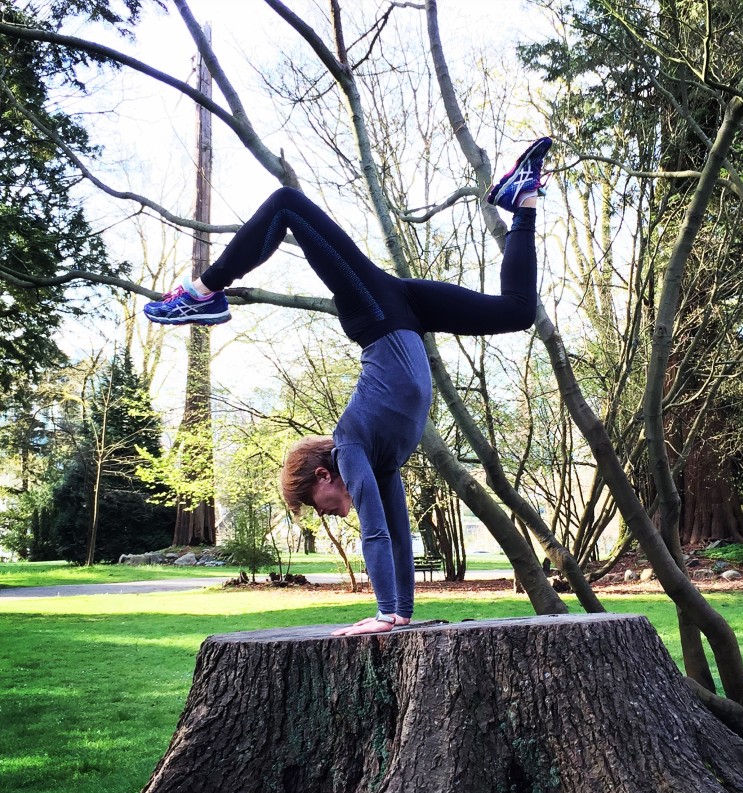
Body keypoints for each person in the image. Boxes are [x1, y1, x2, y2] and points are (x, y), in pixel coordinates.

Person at [144, 137, 552, 635]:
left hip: (379, 311)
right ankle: (522, 201)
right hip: (404, 311)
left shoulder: (351, 444)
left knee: (287, 205)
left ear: (322, 477)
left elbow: (374, 534)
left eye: (325, 508)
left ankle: (202, 292)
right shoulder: (380, 459)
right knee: (517, 312)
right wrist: (399, 615)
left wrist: (380, 615)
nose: (336, 515)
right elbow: (399, 535)